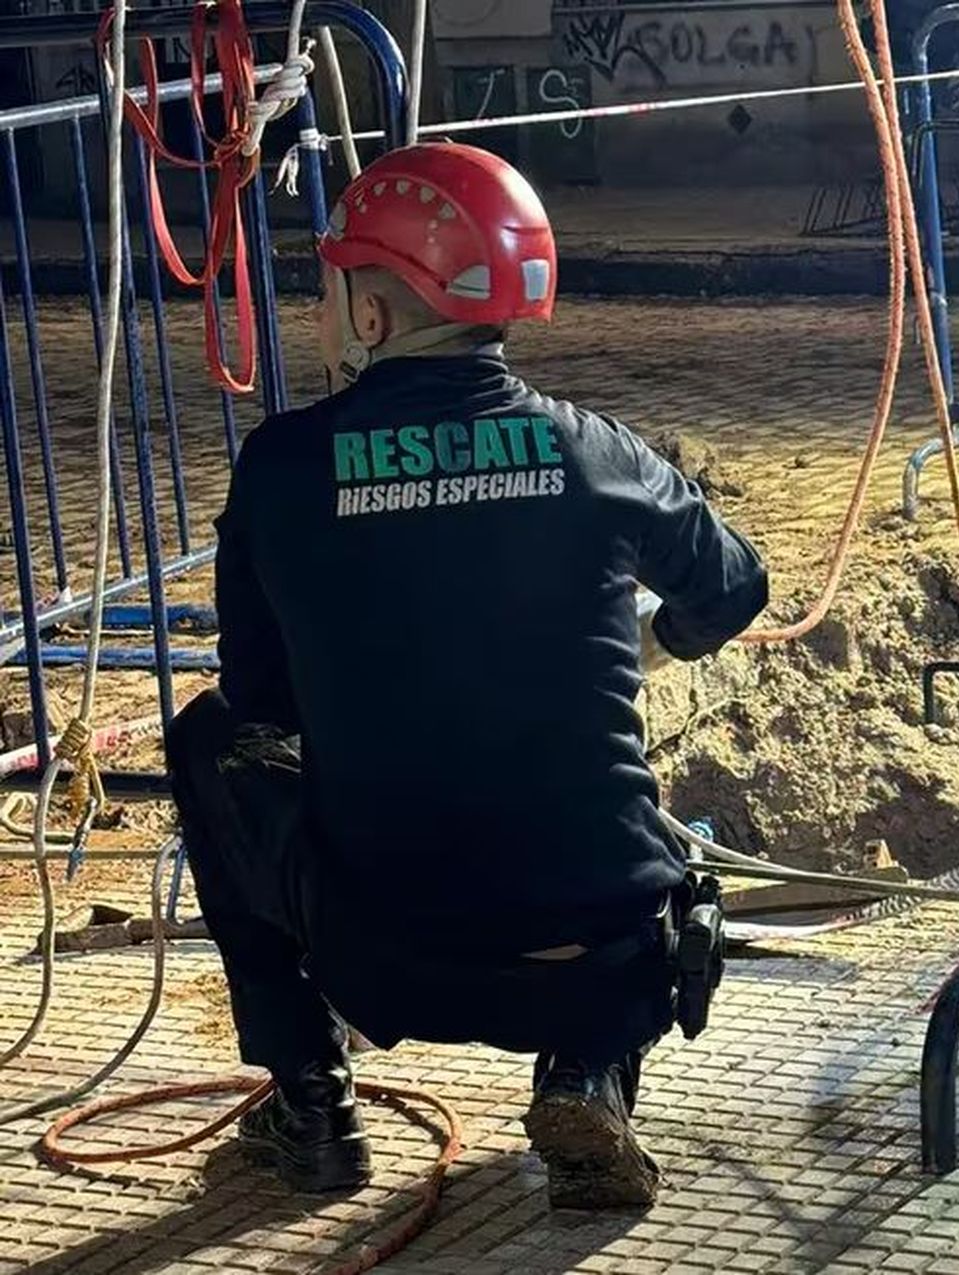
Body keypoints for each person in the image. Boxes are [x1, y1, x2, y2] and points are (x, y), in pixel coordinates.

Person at [165, 143, 768, 1209]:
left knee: (207, 738)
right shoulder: (596, 453)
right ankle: (588, 1076)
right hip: (604, 956)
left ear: (375, 316)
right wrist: (643, 649)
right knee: (610, 821)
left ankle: (310, 1103)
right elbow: (734, 589)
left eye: (332, 284)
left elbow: (261, 706)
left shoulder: (284, 468)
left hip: (382, 954)